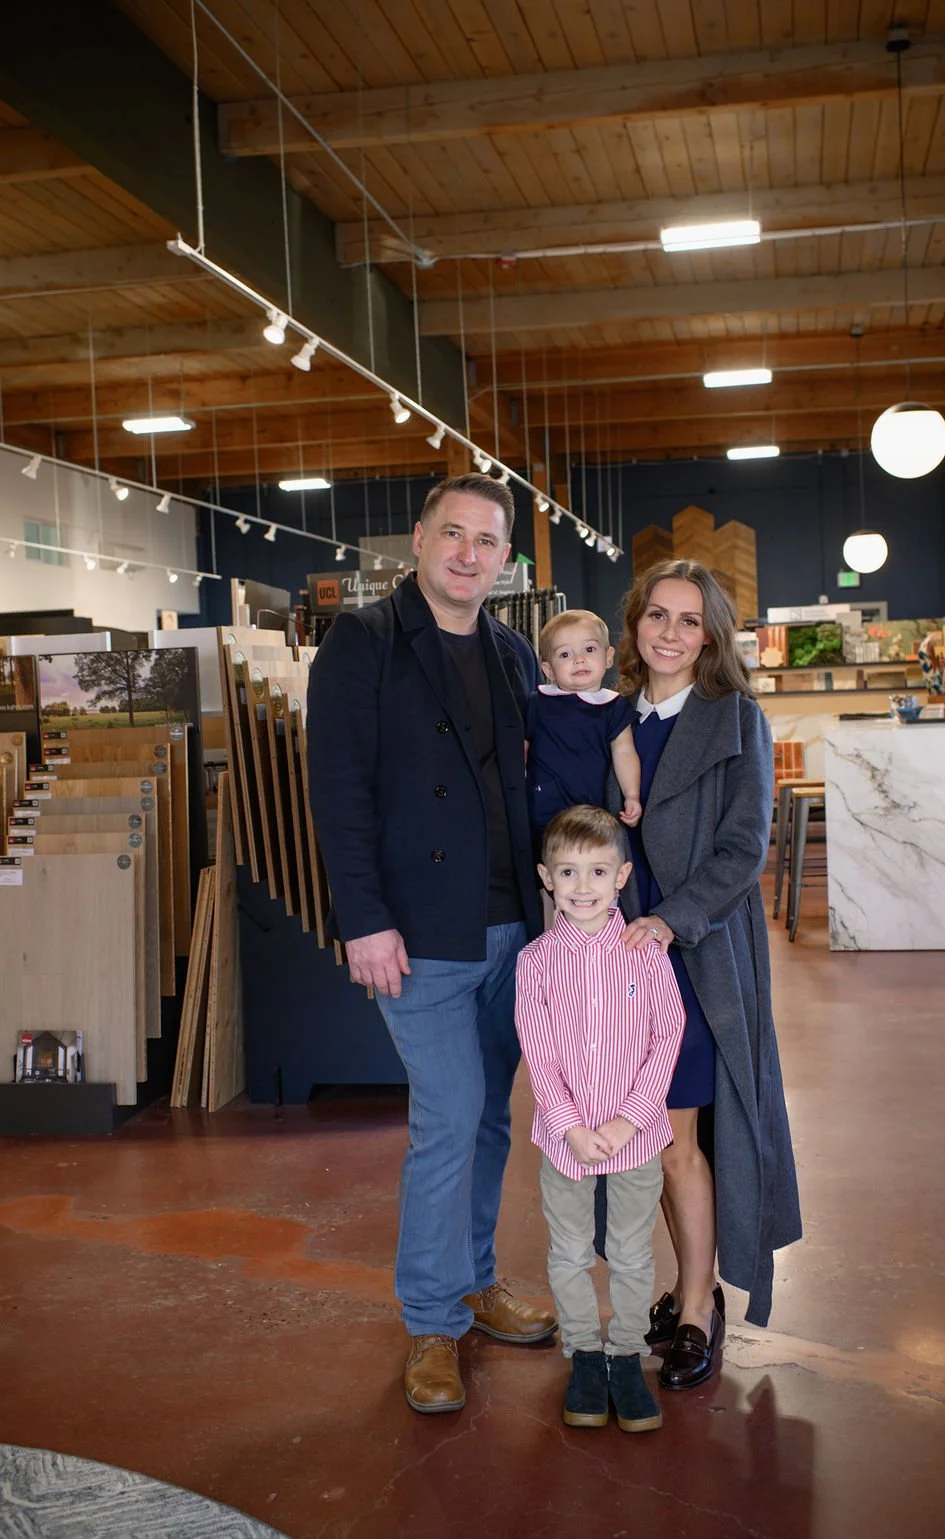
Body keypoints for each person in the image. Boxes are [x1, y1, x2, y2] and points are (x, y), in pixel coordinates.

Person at [306, 474, 556, 1416]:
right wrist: (362, 917)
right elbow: (339, 792)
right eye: (451, 534)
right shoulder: (364, 642)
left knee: (491, 1115)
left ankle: (477, 1280)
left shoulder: (510, 650)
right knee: (449, 1117)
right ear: (418, 539)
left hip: (510, 929)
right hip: (418, 934)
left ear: (504, 559)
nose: (466, 553)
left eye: (486, 541)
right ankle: (428, 1322)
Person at [610, 558, 801, 1390]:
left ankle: (697, 1303)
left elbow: (742, 850)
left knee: (682, 1141)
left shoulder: (734, 719)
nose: (671, 633)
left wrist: (668, 918)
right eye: (658, 615)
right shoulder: (611, 715)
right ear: (636, 622)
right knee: (649, 1139)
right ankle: (686, 1286)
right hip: (613, 960)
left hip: (693, 952)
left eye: (690, 621)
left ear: (713, 636)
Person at [515, 805, 685, 1433]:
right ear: (546, 877)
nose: (582, 886)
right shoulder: (535, 962)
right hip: (566, 1142)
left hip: (634, 1137)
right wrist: (568, 1124)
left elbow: (666, 1035)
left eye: (596, 871)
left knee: (633, 1253)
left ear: (621, 876)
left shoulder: (645, 953)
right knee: (569, 1251)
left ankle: (625, 1356)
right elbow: (537, 1047)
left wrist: (629, 1121)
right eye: (567, 872)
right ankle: (585, 1353)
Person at [524, 610, 643, 851]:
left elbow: (625, 752)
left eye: (589, 650)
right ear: (548, 670)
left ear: (608, 657)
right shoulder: (537, 703)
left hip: (592, 813)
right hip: (541, 808)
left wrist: (631, 795)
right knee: (545, 871)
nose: (579, 660)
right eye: (565, 654)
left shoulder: (613, 706)